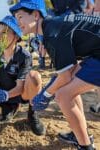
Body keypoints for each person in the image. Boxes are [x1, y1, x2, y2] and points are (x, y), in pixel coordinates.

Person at [9, 0, 100, 149]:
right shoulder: (52, 26)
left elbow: (64, 77)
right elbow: (68, 73)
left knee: (62, 95)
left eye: (20, 17)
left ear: (36, 15)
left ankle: (86, 147)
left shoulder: (52, 33)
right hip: (96, 55)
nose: (17, 22)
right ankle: (80, 132)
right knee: (68, 87)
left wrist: (45, 95)